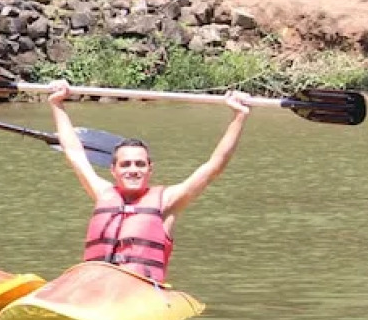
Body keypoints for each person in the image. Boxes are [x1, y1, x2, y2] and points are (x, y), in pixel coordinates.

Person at [46, 79, 249, 283]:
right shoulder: (102, 192)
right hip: (96, 286)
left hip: (139, 290)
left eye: (139, 164)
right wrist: (57, 104)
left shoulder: (167, 201)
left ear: (149, 169)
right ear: (113, 170)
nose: (133, 170)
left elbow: (214, 166)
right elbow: (73, 151)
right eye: (125, 165)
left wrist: (239, 116)